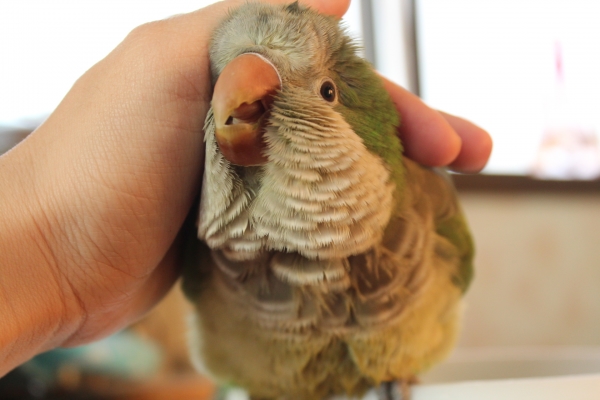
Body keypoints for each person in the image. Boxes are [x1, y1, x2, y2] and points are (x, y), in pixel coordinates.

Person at [0, 0, 492, 377]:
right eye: (221, 80)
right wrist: (53, 258)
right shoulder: (198, 251)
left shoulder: (433, 211)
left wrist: (50, 259)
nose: (238, 93)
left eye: (326, 92)